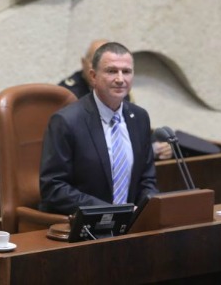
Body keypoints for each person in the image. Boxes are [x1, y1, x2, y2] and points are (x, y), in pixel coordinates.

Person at [40, 42, 159, 215]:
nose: (120, 79)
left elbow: (147, 180)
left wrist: (147, 209)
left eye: (126, 72)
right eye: (111, 71)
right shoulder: (66, 121)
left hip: (131, 226)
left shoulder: (139, 118)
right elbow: (54, 188)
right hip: (83, 225)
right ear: (93, 76)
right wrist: (111, 212)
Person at [59, 39, 172, 160]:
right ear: (84, 63)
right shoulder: (67, 93)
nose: (119, 79)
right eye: (111, 70)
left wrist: (156, 146)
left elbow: (132, 130)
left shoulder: (118, 91)